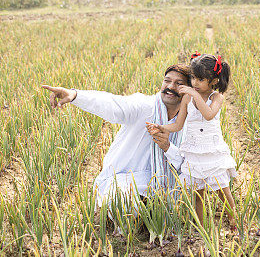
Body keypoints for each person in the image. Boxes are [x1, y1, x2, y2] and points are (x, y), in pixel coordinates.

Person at [42, 64, 191, 208]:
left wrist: (167, 147)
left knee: (166, 210)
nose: (170, 87)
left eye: (179, 83)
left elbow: (187, 164)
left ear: (189, 91)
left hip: (165, 185)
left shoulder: (191, 122)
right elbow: (112, 103)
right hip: (125, 180)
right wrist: (75, 95)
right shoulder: (145, 106)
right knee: (125, 205)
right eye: (167, 81)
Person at [147, 54, 237, 229]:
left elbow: (209, 115)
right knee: (198, 193)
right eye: (193, 78)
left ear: (213, 81)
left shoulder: (216, 97)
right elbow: (179, 125)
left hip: (211, 148)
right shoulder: (188, 98)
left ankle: (235, 219)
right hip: (194, 150)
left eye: (200, 79)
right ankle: (200, 226)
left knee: (222, 188)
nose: (195, 83)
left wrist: (194, 94)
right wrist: (162, 127)